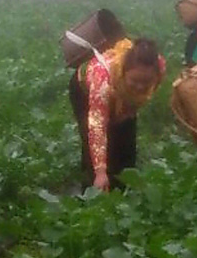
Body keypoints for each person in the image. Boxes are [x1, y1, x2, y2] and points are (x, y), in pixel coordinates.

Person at [68, 36, 166, 192]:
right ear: (124, 72)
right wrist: (100, 173)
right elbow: (97, 129)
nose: (140, 87)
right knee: (93, 144)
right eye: (135, 81)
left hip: (121, 94)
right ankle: (92, 193)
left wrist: (126, 111)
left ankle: (123, 189)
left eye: (146, 82)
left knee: (125, 138)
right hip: (84, 91)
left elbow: (139, 96)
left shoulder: (159, 65)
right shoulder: (103, 83)